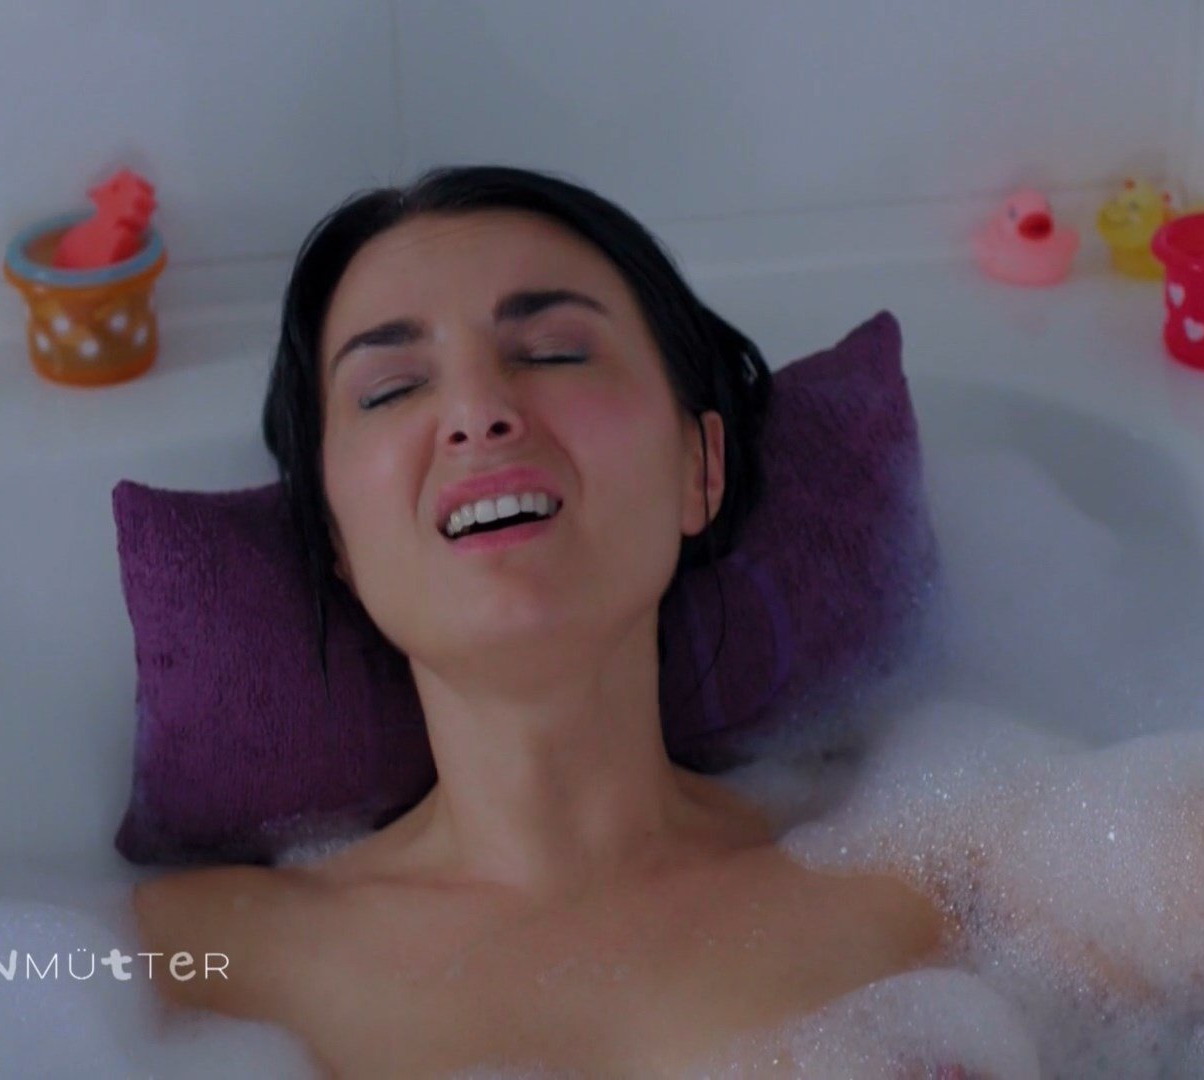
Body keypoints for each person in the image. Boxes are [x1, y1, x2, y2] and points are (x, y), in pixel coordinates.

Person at [130, 165, 956, 1077]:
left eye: (554, 352)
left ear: (700, 467)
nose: (478, 412)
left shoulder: (933, 890)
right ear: (338, 543)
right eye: (390, 388)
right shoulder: (184, 964)